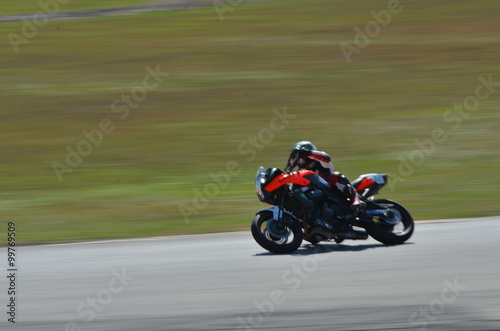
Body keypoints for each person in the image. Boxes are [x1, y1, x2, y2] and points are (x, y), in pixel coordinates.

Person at [286, 141, 367, 239]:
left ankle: (356, 199)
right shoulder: (302, 174)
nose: (297, 160)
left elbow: (326, 157)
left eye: (297, 156)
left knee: (336, 176)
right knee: (308, 236)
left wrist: (308, 153)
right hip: (323, 201)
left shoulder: (320, 162)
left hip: (336, 193)